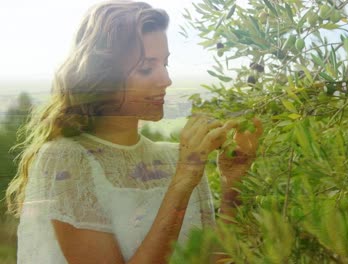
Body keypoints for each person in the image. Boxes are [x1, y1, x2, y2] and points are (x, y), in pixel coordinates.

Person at [4, 1, 263, 263]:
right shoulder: (65, 158)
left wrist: (232, 183)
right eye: (146, 68)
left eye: (165, 64)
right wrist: (184, 179)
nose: (165, 80)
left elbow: (213, 259)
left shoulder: (175, 157)